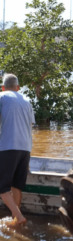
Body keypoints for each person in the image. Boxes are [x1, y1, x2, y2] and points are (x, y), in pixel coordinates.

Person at [0, 74, 35, 226]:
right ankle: (16, 220)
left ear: (2, 87)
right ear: (18, 88)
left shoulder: (1, 97)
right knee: (16, 186)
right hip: (25, 149)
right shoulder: (27, 101)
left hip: (8, 147)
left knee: (2, 188)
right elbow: (31, 126)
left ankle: (19, 216)